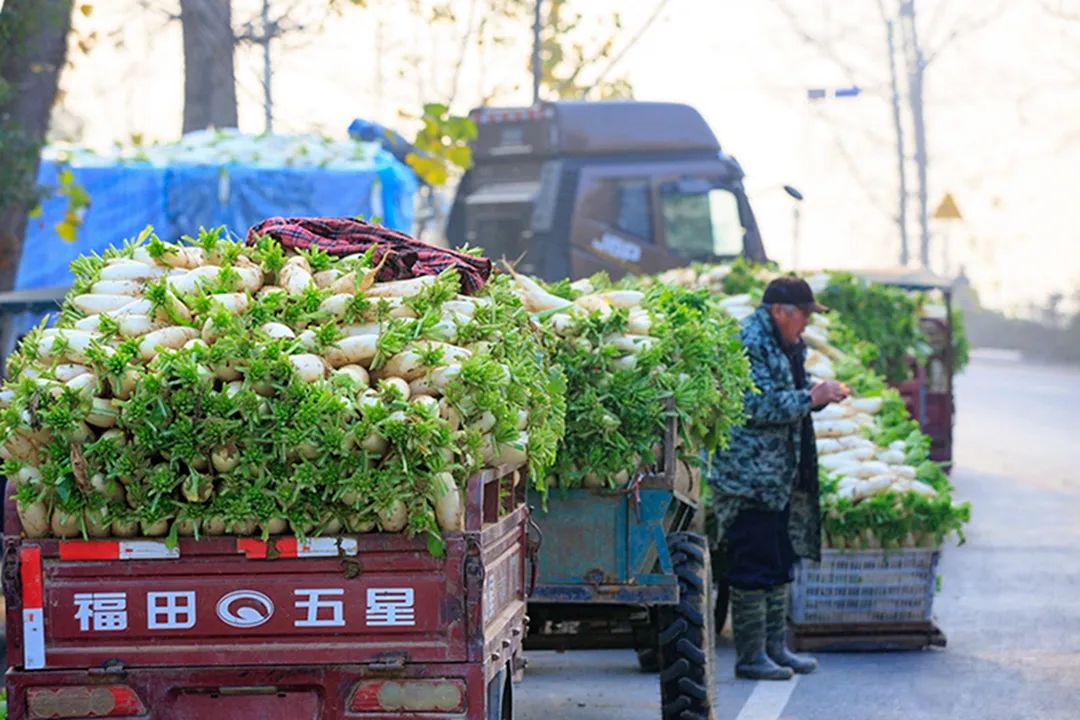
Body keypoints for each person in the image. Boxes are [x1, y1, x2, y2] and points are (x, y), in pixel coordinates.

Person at [710, 275, 849, 681]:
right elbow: (753, 405)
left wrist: (819, 393)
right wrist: (811, 398)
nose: (806, 324)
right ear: (779, 311)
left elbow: (788, 389)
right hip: (747, 477)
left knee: (778, 562)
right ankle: (751, 656)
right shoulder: (749, 342)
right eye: (803, 315)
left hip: (777, 476)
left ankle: (775, 649)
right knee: (752, 567)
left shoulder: (785, 342)